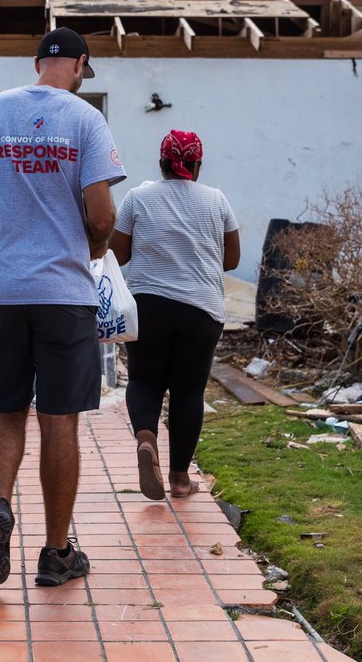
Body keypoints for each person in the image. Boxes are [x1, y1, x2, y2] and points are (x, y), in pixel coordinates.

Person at [0, 27, 126, 587]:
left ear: (35, 63)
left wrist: (3, 215)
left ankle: (0, 504)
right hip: (62, 293)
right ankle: (56, 553)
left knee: (5, 409)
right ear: (79, 65)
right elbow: (101, 214)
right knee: (59, 419)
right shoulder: (85, 119)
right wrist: (90, 244)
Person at [108, 130, 240, 499]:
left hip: (148, 306)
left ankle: (146, 438)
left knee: (145, 380)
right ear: (197, 165)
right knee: (187, 390)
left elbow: (118, 255)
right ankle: (180, 479)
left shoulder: (138, 197)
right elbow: (231, 259)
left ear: (161, 163)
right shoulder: (217, 201)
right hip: (201, 311)